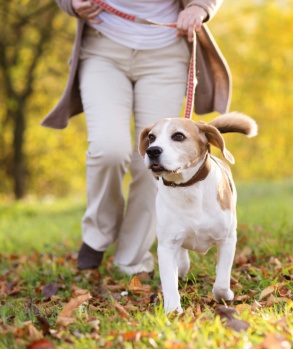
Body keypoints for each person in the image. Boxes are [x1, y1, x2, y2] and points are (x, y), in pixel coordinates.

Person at [41, 0, 231, 275]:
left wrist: (199, 7)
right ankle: (98, 232)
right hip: (102, 47)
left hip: (166, 51)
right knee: (108, 149)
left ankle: (131, 259)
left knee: (159, 162)